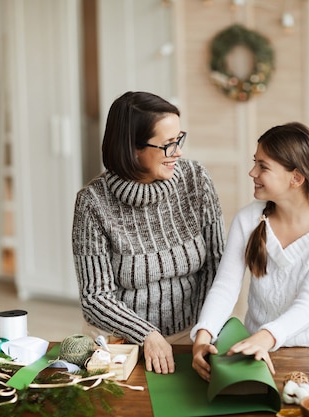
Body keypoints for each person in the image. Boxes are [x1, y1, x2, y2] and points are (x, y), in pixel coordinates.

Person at [190, 122, 309, 381]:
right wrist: (203, 336)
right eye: (254, 162)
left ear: (296, 178)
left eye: (263, 166)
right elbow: (225, 287)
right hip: (257, 350)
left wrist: (265, 337)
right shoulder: (248, 218)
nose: (252, 172)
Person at [72, 91, 225, 375]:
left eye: (179, 139)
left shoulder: (196, 180)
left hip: (191, 335)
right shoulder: (92, 203)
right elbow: (95, 296)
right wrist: (147, 334)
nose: (178, 152)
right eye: (168, 144)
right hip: (122, 343)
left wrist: (204, 330)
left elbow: (217, 264)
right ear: (132, 149)